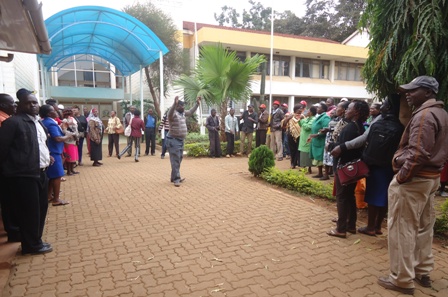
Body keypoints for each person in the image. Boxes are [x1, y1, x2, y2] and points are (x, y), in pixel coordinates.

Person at [377, 76, 448, 295]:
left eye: (413, 90)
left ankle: (401, 279)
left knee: (402, 229)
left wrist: (402, 177)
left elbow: (419, 153)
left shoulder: (425, 115)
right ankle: (422, 271)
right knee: (424, 226)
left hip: (414, 180)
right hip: (431, 179)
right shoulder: (441, 113)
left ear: (428, 92)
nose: (407, 94)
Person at [0, 88, 53, 255]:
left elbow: (40, 145)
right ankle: (31, 245)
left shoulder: (38, 123)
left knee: (41, 208)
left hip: (41, 172)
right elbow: (2, 149)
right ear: (20, 105)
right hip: (24, 175)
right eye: (28, 103)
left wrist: (48, 156)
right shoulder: (13, 123)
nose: (32, 105)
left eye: (35, 102)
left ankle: (35, 239)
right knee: (29, 211)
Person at [357, 96, 403, 236]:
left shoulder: (377, 125)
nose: (381, 106)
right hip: (391, 166)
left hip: (375, 166)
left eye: (383, 104)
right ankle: (377, 226)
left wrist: (365, 162)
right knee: (385, 196)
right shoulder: (401, 127)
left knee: (373, 196)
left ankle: (370, 227)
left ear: (388, 108)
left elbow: (369, 145)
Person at [326, 100, 370, 239]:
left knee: (342, 197)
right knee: (349, 196)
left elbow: (340, 149)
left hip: (344, 166)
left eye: (349, 108)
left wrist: (330, 146)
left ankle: (341, 229)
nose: (346, 110)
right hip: (352, 168)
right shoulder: (359, 127)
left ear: (356, 112)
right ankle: (351, 225)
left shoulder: (350, 128)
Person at [41, 105, 72, 206]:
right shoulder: (51, 123)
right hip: (54, 152)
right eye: (54, 111)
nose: (57, 112)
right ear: (50, 113)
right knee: (57, 176)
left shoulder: (44, 121)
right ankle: (56, 199)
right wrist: (67, 136)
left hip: (51, 151)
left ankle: (48, 196)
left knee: (52, 176)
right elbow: (57, 138)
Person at [166, 96, 201, 187]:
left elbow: (190, 111)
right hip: (173, 140)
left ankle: (173, 176)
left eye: (183, 106)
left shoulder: (183, 113)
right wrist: (174, 103)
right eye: (181, 106)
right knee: (176, 159)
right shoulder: (172, 115)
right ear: (177, 107)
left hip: (180, 140)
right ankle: (176, 179)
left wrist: (197, 104)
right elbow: (170, 112)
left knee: (179, 158)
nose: (183, 107)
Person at [0, 94, 19, 242]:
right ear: (3, 105)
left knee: (12, 200)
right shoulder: (3, 121)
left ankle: (14, 228)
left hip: (10, 167)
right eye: (12, 103)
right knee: (8, 200)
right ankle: (13, 231)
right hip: (7, 168)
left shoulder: (7, 119)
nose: (15, 106)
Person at [308, 102, 331, 178]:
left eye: (319, 108)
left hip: (321, 140)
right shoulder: (318, 116)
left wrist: (318, 134)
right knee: (317, 157)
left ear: (323, 109)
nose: (317, 109)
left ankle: (326, 174)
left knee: (322, 157)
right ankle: (320, 173)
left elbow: (325, 129)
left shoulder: (325, 117)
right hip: (316, 140)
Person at [281, 104, 304, 169]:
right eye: (300, 108)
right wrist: (288, 118)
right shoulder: (289, 115)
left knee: (298, 150)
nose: (301, 110)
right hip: (290, 135)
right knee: (292, 150)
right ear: (296, 109)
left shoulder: (302, 116)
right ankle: (293, 163)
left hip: (300, 135)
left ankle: (299, 164)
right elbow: (283, 124)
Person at [61, 108, 80, 176]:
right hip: (68, 141)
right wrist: (72, 135)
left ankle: (72, 170)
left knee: (73, 155)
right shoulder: (65, 121)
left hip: (74, 140)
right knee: (69, 156)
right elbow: (64, 130)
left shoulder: (73, 119)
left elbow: (76, 129)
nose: (73, 113)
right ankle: (69, 171)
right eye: (71, 112)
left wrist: (76, 137)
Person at [299, 106, 316, 174]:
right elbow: (301, 124)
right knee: (303, 154)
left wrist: (302, 120)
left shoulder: (313, 119)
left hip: (307, 139)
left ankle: (309, 168)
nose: (307, 112)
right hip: (303, 139)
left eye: (308, 111)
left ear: (311, 112)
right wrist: (301, 120)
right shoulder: (307, 118)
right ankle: (303, 167)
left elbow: (307, 127)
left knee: (307, 154)